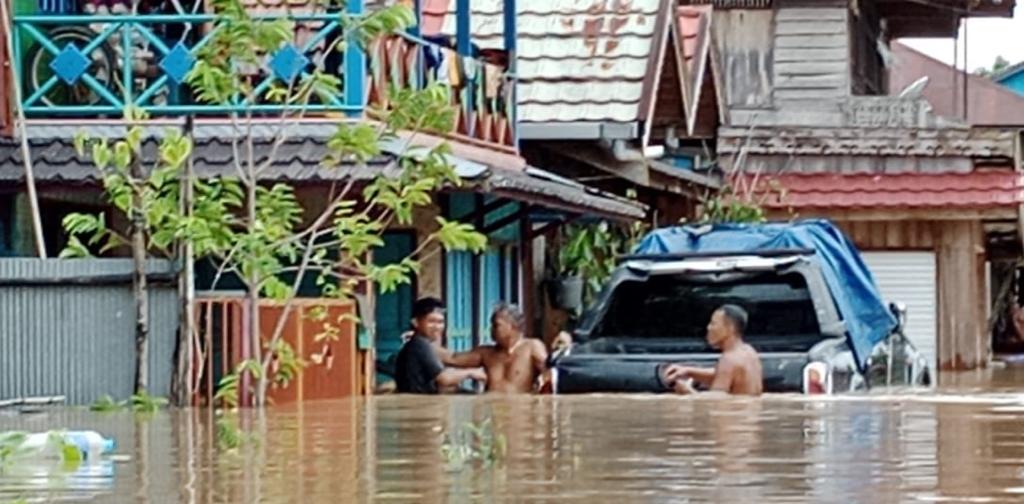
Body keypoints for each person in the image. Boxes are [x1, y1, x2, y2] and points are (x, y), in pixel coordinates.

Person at [440, 303, 549, 393]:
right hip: (492, 412)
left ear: (512, 326)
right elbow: (452, 358)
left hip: (520, 412)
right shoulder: (486, 353)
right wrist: (424, 344)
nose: (491, 330)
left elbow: (551, 373)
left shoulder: (532, 347)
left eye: (496, 325)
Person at [661, 304, 763, 396]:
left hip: (736, 415)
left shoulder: (728, 359)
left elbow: (714, 404)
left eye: (713, 324)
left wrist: (687, 392)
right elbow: (727, 375)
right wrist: (689, 371)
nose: (708, 328)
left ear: (729, 328)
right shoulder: (750, 351)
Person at [394, 297, 487, 394]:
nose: (437, 327)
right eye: (431, 321)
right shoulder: (420, 344)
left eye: (440, 322)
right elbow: (444, 378)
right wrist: (472, 373)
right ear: (415, 322)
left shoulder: (417, 344)